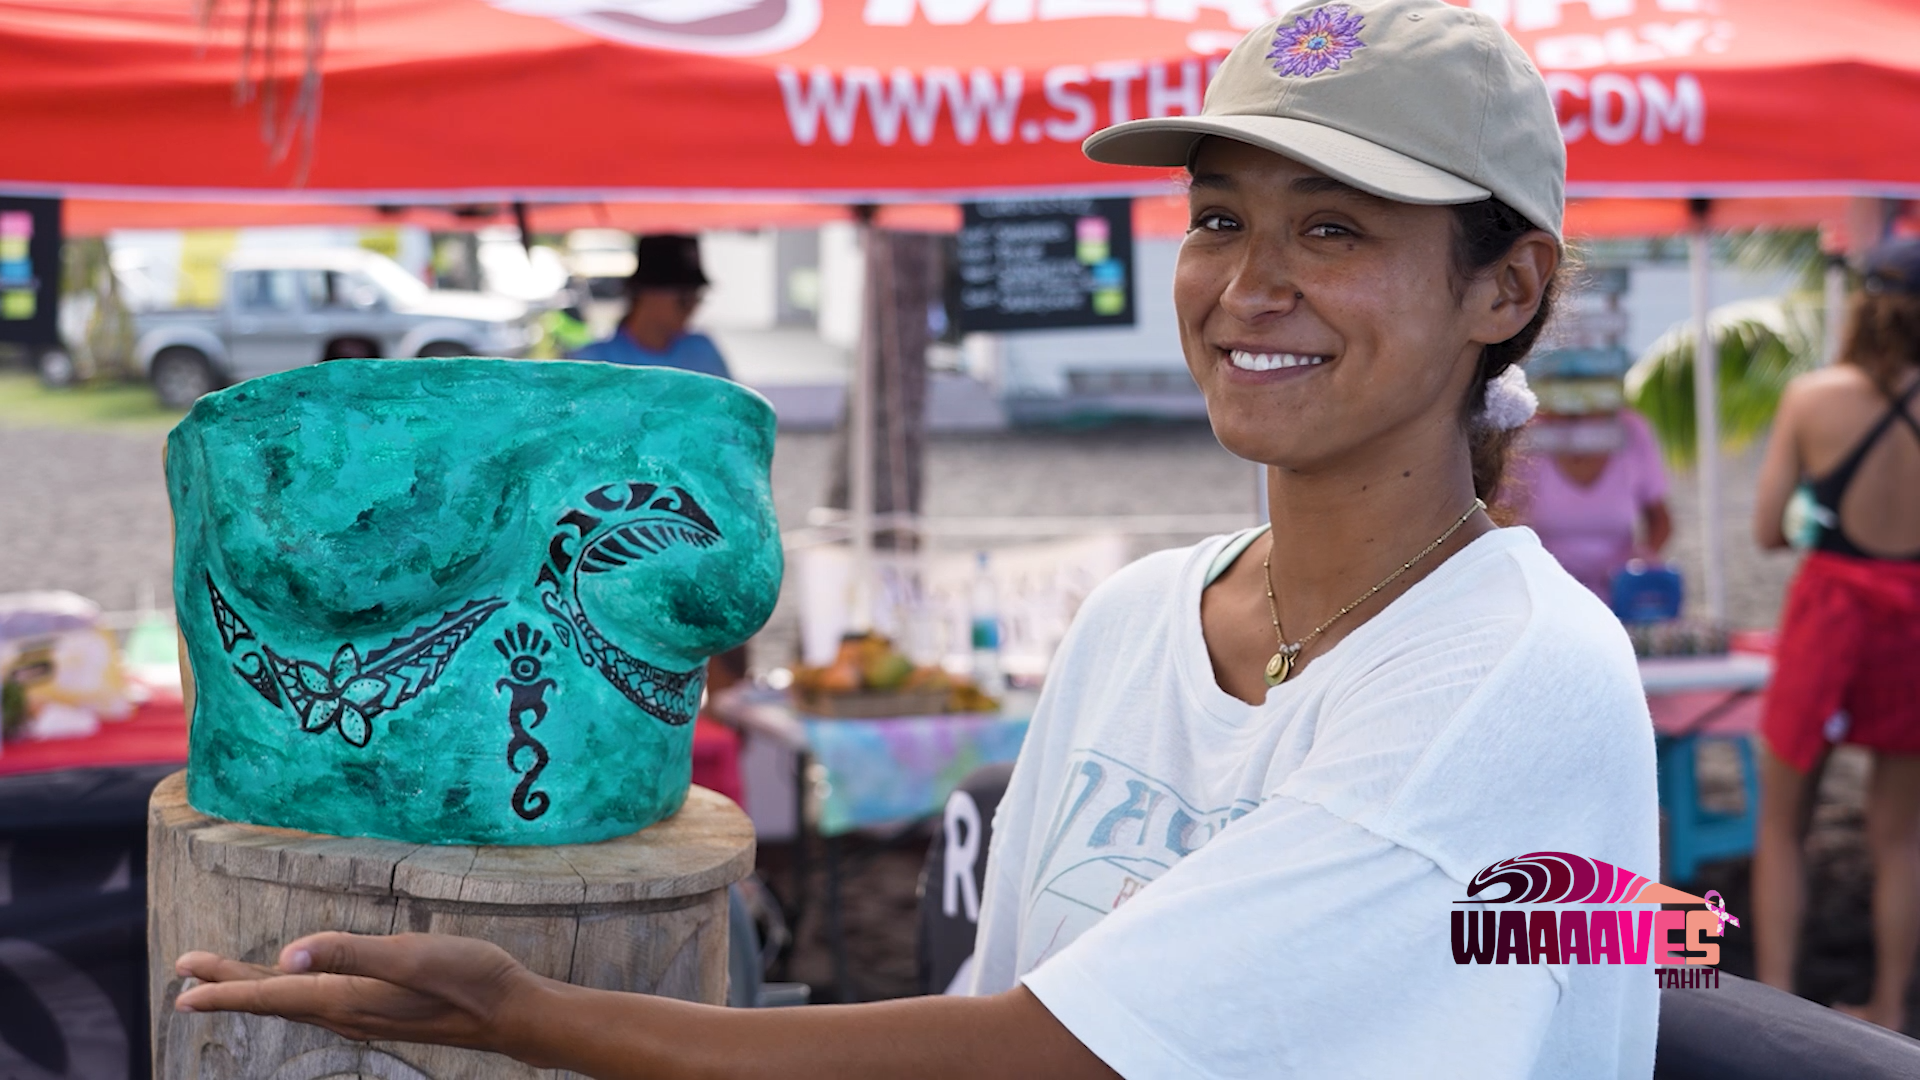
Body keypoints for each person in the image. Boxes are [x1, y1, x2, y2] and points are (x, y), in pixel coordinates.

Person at [170, 3, 1660, 1075]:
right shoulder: (1139, 617)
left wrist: (531, 1012)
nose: (1247, 285)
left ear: (1504, 289)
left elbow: (1037, 1050)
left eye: (1333, 231)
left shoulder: (1514, 671)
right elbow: (1005, 987)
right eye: (1219, 219)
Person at [1750, 236, 1920, 1031]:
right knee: (1899, 838)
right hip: (1913, 617)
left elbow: (1768, 531)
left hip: (1832, 611)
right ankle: (1887, 1006)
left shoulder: (1814, 398)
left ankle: (1780, 1002)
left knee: (1784, 825)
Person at [1511, 404, 1673, 598]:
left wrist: (1639, 563)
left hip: (1618, 593)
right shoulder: (1524, 432)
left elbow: (1661, 520)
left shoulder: (1632, 429)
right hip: (1547, 592)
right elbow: (1500, 520)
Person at [570, 233, 732, 379]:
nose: (693, 305)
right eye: (684, 296)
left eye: (697, 294)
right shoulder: (592, 363)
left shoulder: (703, 351)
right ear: (647, 292)